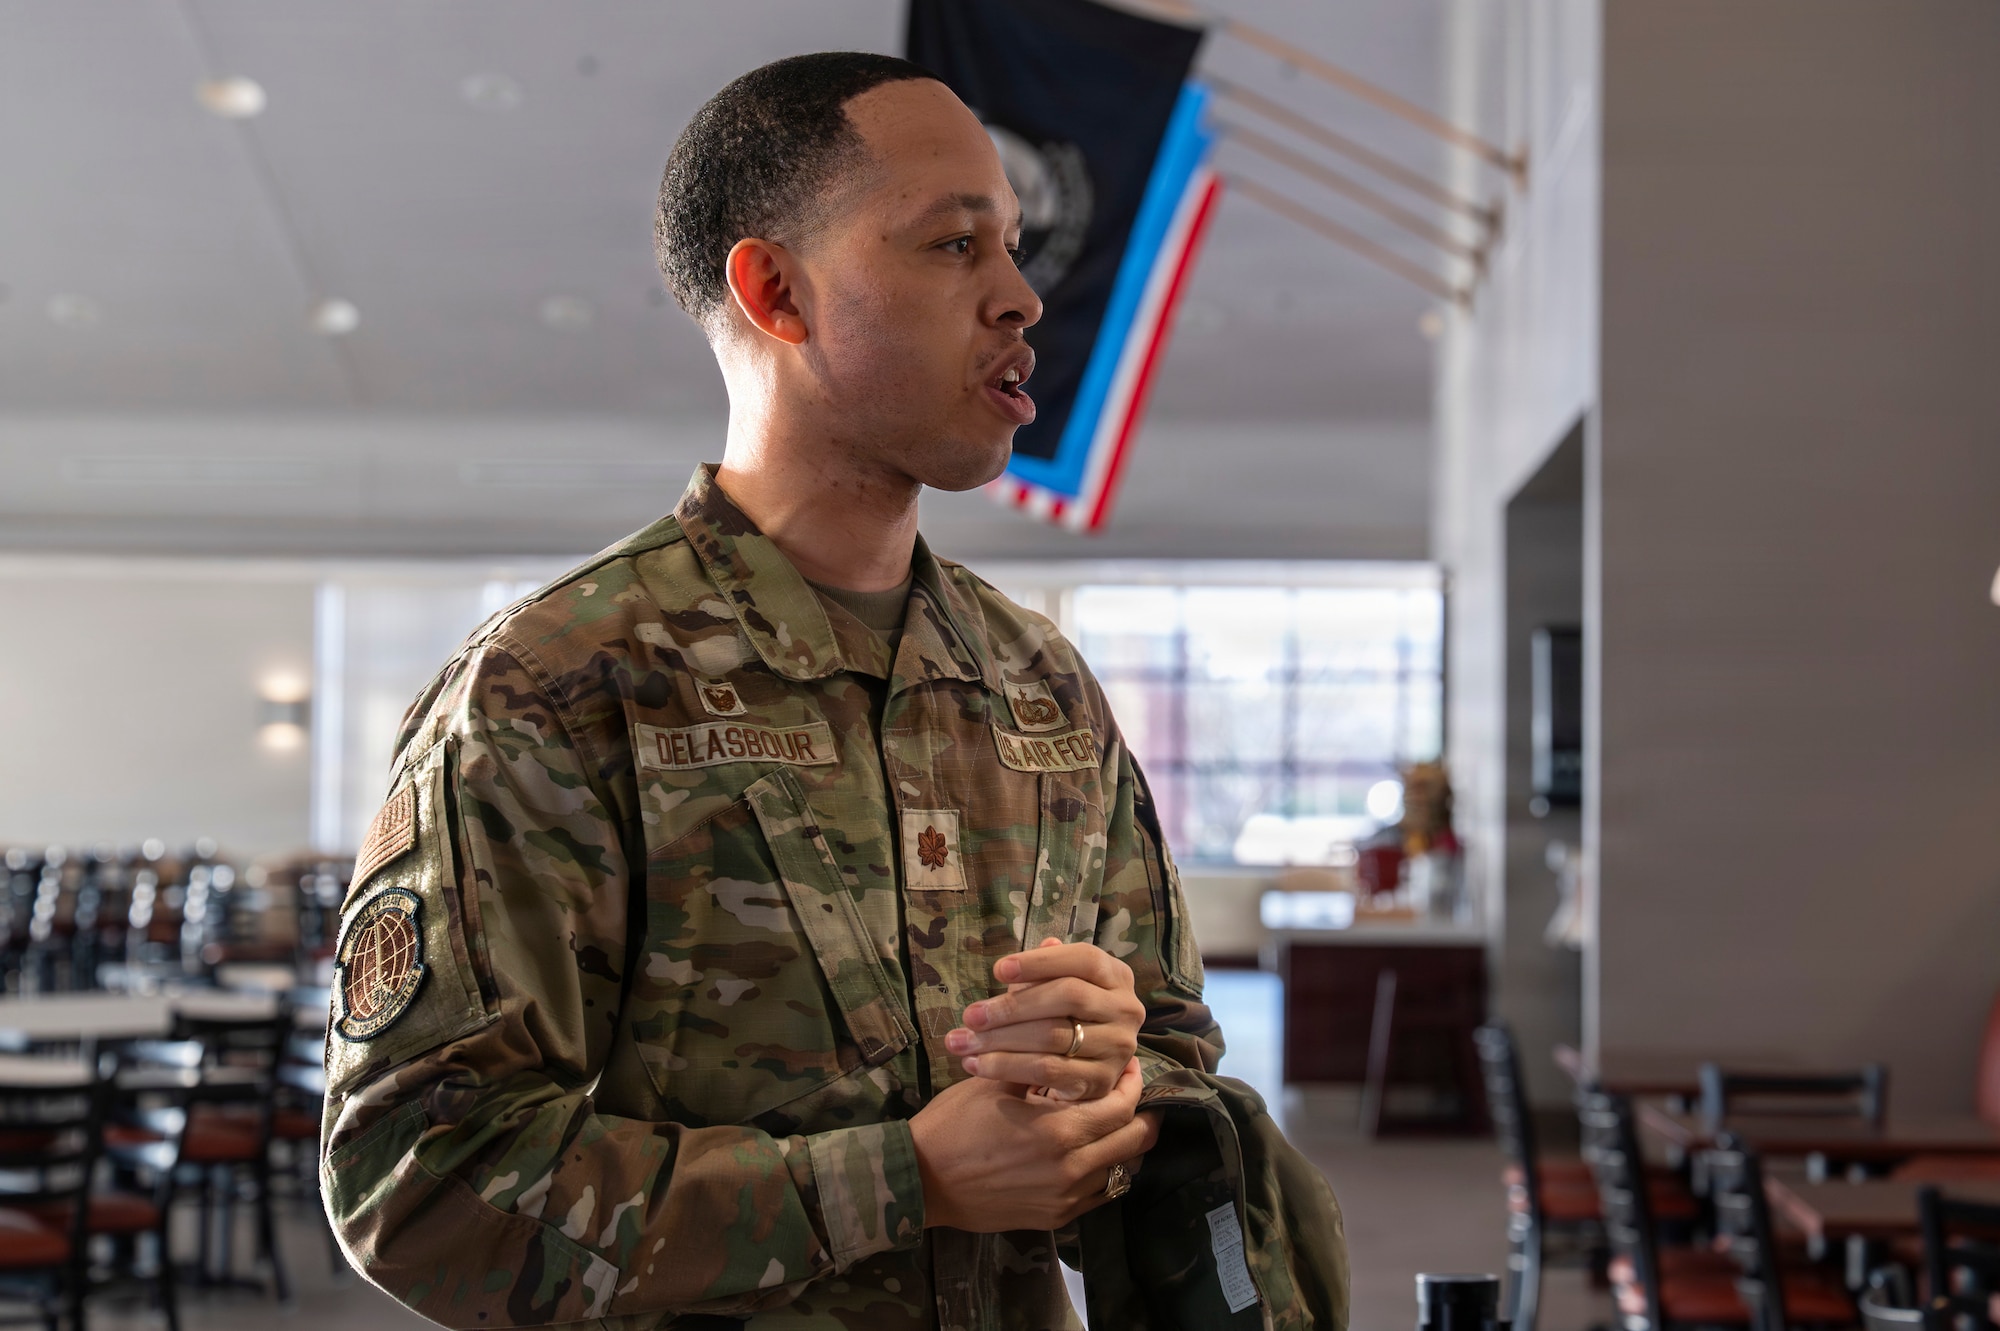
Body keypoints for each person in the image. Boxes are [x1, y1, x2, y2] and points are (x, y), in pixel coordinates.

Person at [319, 51, 1227, 1329]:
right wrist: (900, 1180)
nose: (1021, 297)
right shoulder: (561, 684)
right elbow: (413, 1186)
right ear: (777, 291)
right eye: (955, 245)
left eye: (1013, 248)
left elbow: (1181, 1055)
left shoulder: (1033, 679)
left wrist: (1111, 1083)